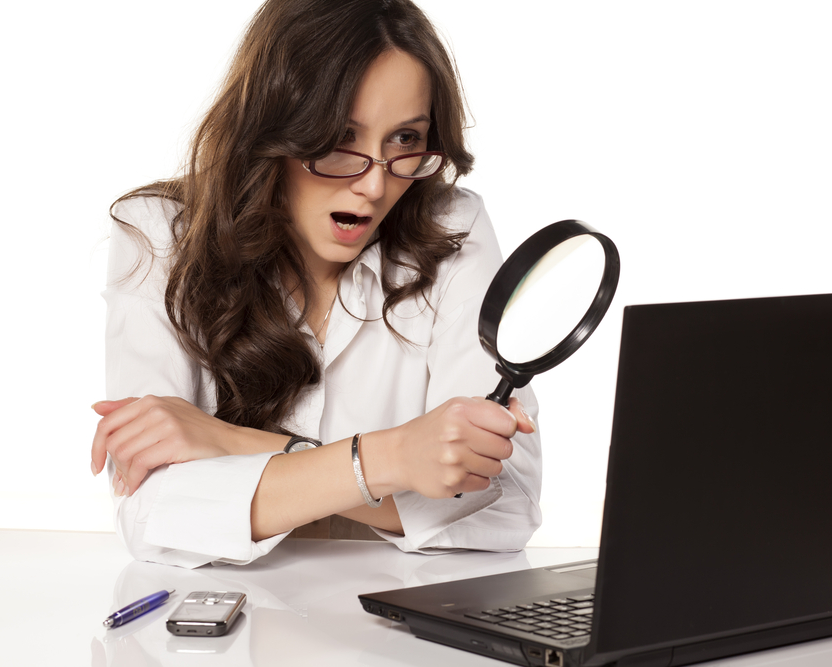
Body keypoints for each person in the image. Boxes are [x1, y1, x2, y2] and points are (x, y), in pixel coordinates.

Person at [88, 0, 541, 569]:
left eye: (405, 139)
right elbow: (156, 512)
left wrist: (231, 442)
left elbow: (503, 509)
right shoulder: (160, 234)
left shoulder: (452, 227)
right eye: (340, 137)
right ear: (273, 130)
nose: (374, 185)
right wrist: (396, 460)